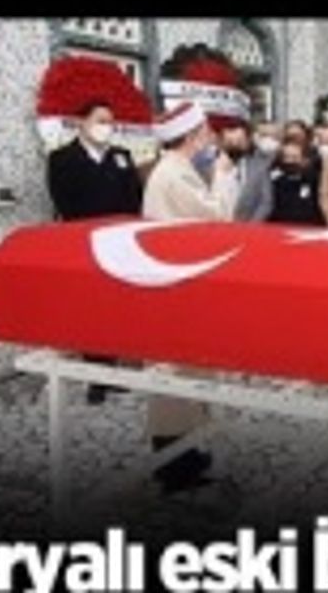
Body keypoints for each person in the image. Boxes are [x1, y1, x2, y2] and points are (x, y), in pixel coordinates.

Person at [141, 101, 241, 495]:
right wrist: (223, 179)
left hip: (181, 284)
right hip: (174, 288)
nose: (209, 137)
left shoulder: (177, 169)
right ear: (191, 136)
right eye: (204, 131)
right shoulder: (173, 174)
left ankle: (189, 452)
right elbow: (217, 219)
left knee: (188, 373)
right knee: (173, 377)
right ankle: (174, 464)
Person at [45, 100, 144, 404]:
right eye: (100, 120)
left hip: (118, 242)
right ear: (81, 122)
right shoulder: (62, 158)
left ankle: (113, 371)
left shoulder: (121, 156)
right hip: (84, 242)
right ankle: (96, 377)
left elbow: (134, 198)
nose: (106, 127)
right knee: (89, 308)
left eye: (110, 122)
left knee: (115, 306)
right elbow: (64, 201)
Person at [218, 120, 275, 223]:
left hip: (249, 226)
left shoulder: (260, 165)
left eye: (240, 141)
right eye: (230, 142)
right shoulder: (211, 165)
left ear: (248, 139)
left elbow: (266, 202)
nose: (235, 145)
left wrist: (250, 227)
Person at [269, 136, 324, 225]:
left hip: (306, 228)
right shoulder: (273, 179)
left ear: (305, 159)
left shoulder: (314, 180)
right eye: (286, 157)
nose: (289, 161)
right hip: (279, 227)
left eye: (294, 157)